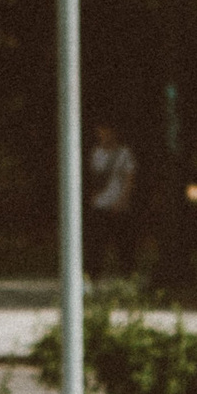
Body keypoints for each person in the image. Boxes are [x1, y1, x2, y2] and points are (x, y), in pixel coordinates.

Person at [88, 118, 139, 279]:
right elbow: (93, 177)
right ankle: (92, 278)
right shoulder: (96, 153)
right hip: (99, 205)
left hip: (118, 205)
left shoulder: (124, 153)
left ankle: (128, 276)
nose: (103, 136)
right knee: (96, 245)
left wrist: (123, 200)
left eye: (106, 133)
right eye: (101, 133)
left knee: (124, 246)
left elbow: (130, 179)